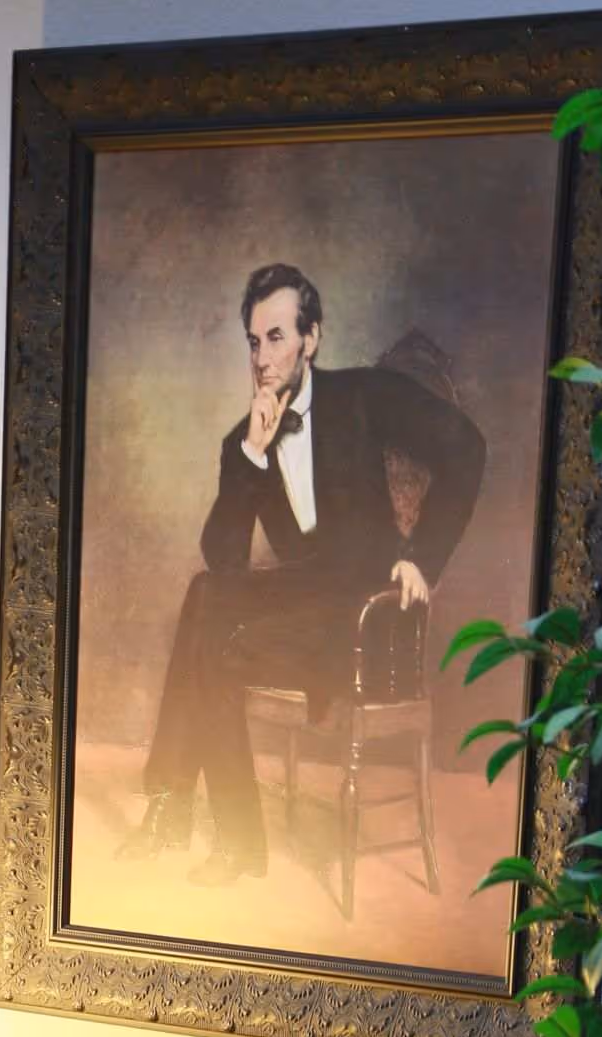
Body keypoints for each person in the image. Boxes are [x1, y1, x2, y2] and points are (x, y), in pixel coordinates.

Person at [124, 262, 487, 888]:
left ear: (311, 338)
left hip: (367, 619)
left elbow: (467, 447)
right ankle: (199, 818)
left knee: (214, 641)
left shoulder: (366, 395)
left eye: (277, 337)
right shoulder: (244, 440)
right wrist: (252, 457)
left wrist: (420, 558)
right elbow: (225, 560)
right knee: (207, 595)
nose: (263, 357)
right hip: (300, 613)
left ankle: (182, 807)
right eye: (253, 340)